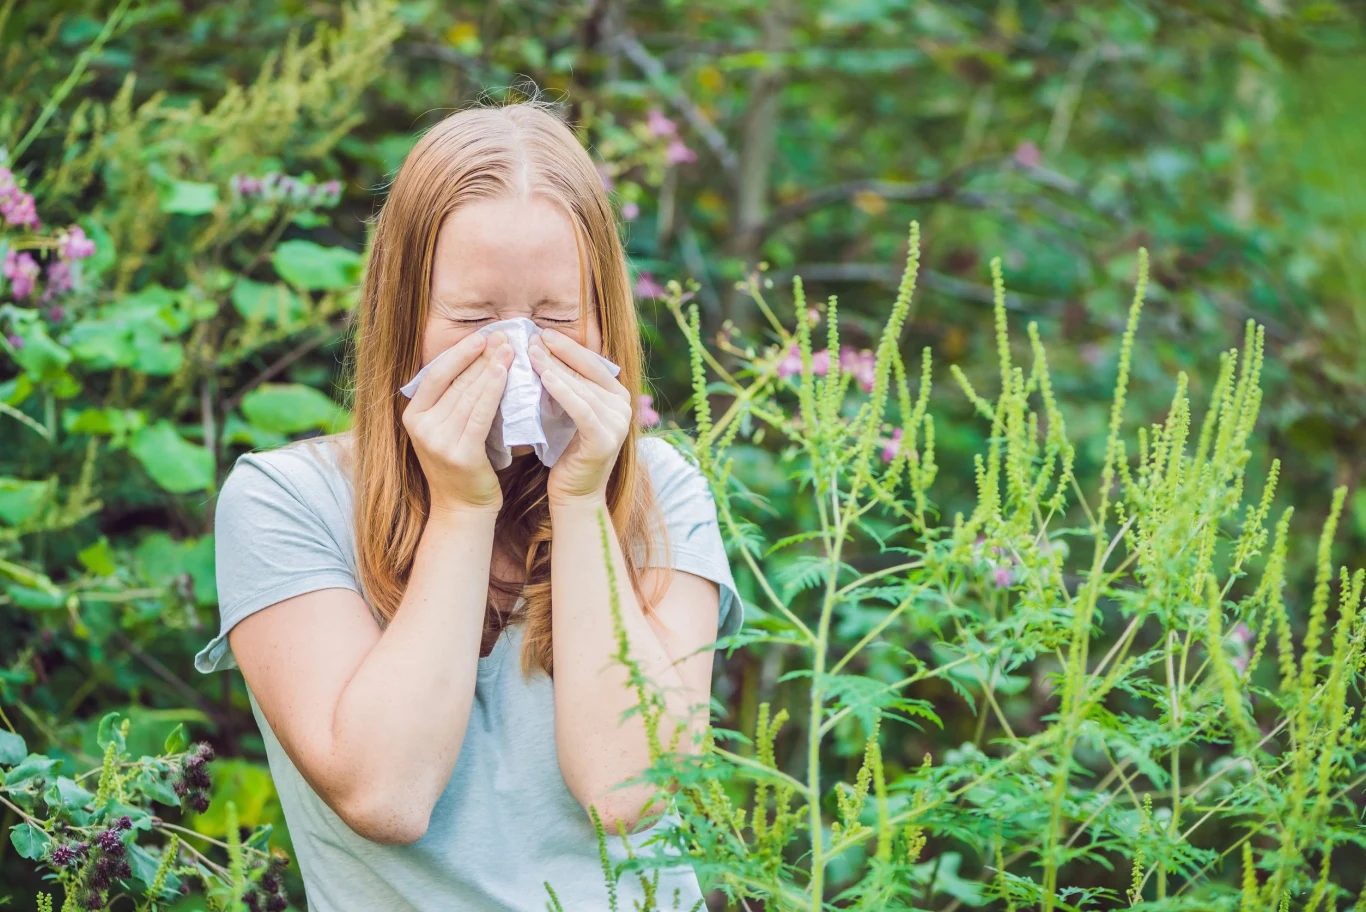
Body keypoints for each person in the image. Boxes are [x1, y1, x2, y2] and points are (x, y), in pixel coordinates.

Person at [194, 99, 742, 911]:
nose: (516, 352)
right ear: (403, 312)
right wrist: (460, 506)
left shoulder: (662, 492)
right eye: (474, 319)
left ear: (604, 319)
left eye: (556, 318)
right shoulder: (286, 501)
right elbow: (385, 795)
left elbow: (630, 794)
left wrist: (584, 501)